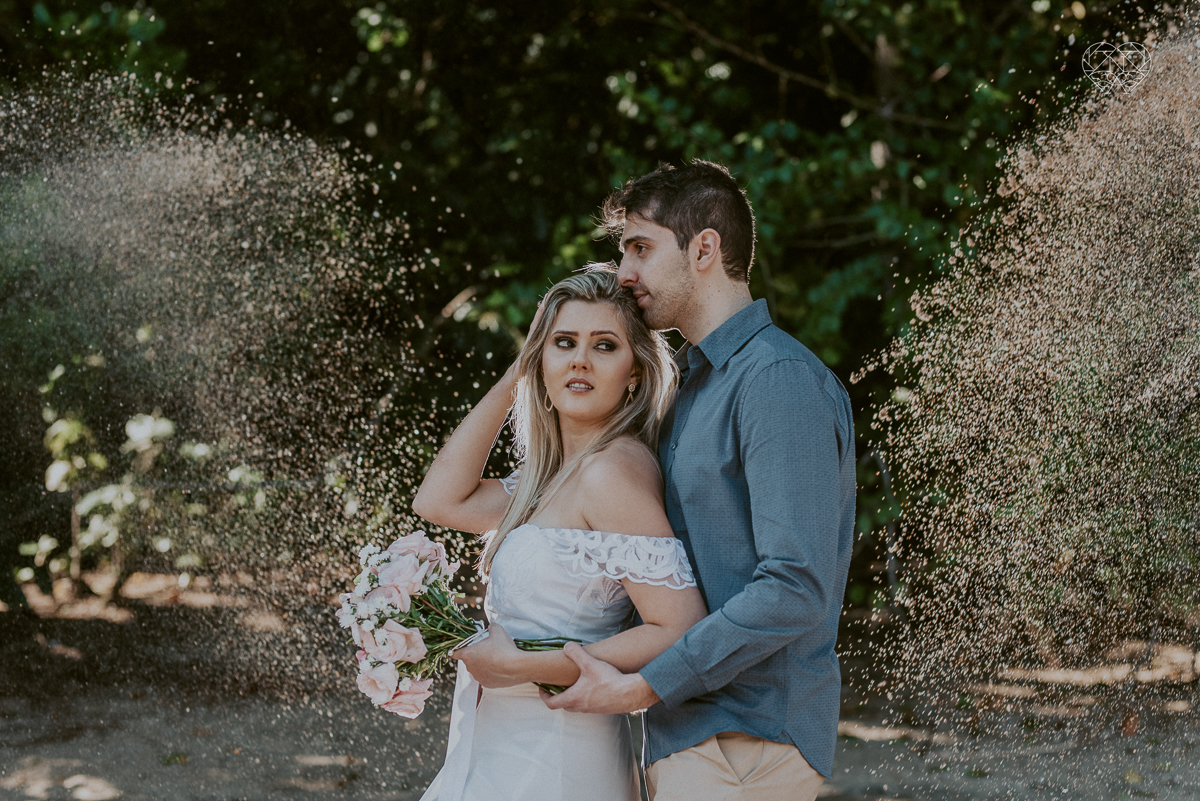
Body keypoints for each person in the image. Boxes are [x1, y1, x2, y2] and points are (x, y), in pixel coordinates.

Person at [538, 160, 857, 801]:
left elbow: (796, 586)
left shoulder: (776, 382)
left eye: (640, 248)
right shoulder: (685, 387)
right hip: (688, 734)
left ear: (704, 248)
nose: (624, 273)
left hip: (749, 735)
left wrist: (646, 684)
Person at [411, 267, 708, 801]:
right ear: (539, 362)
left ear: (635, 373)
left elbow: (678, 627)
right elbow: (438, 501)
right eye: (563, 343)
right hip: (503, 740)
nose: (580, 360)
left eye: (605, 346)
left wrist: (521, 667)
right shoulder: (548, 475)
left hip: (559, 749)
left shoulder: (611, 472)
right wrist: (511, 382)